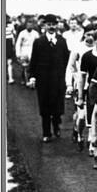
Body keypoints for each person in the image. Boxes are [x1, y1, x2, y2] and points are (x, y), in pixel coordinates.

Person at [27, 14, 70, 142]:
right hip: (43, 80)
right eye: (49, 25)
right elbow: (33, 60)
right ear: (44, 26)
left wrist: (68, 79)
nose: (51, 27)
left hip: (58, 80)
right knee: (44, 107)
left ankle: (56, 123)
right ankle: (46, 132)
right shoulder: (39, 42)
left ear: (57, 26)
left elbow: (66, 61)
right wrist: (32, 76)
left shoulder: (62, 41)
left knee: (57, 107)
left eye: (53, 25)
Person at [76, 29, 97, 153]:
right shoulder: (87, 56)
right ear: (95, 41)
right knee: (91, 119)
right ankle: (91, 143)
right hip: (92, 91)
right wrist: (80, 96)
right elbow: (82, 77)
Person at [15, 17, 40, 86]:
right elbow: (18, 44)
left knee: (33, 66)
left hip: (33, 51)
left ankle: (31, 80)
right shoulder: (22, 33)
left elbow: (39, 43)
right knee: (25, 66)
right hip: (24, 50)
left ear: (33, 26)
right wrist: (18, 54)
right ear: (26, 25)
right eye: (28, 25)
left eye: (31, 25)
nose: (29, 26)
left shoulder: (35, 33)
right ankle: (25, 80)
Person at [5, 16, 17, 84]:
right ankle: (10, 78)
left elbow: (14, 35)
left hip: (8, 44)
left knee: (9, 62)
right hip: (7, 43)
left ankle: (10, 78)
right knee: (8, 63)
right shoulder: (11, 26)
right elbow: (14, 35)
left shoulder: (11, 26)